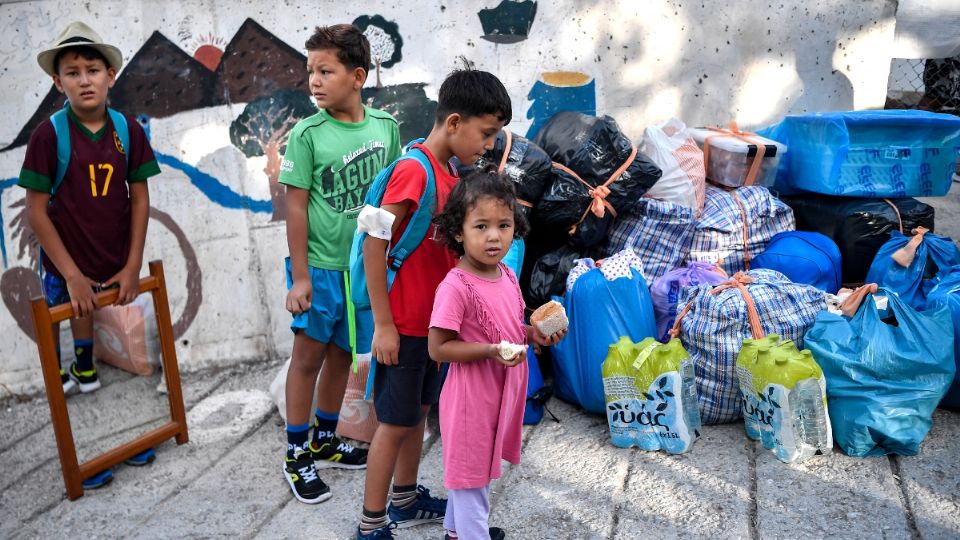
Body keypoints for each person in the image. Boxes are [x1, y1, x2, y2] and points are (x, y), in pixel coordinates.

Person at [356, 70, 512, 539]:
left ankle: (404, 498)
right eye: (485, 134)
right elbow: (373, 239)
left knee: (418, 413)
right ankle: (370, 521)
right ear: (454, 122)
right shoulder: (414, 170)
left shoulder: (449, 174)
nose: (488, 145)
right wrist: (383, 325)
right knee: (393, 424)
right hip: (402, 327)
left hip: (433, 329)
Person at [19, 21, 162, 488]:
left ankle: (134, 435)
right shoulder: (49, 135)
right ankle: (87, 455)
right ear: (57, 82)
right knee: (72, 347)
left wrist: (133, 262)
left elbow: (139, 197)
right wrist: (72, 275)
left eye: (93, 69)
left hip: (116, 259)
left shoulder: (126, 129)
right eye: (73, 72)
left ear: (111, 75)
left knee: (127, 355)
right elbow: (37, 212)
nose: (84, 79)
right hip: (67, 263)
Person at [279, 24, 401, 504]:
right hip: (319, 269)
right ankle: (295, 452)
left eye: (325, 71)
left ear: (357, 76)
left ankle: (325, 439)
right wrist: (302, 277)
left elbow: (394, 198)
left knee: (340, 358)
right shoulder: (307, 135)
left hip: (362, 270)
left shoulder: (386, 129)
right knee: (307, 357)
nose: (313, 80)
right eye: (310, 70)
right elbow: (294, 208)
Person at [428, 169, 566, 540]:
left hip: (498, 394)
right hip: (471, 398)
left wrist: (533, 334)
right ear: (458, 231)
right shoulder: (455, 286)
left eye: (504, 225)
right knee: (471, 477)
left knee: (477, 470)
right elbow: (438, 347)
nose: (494, 236)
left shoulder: (504, 274)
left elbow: (507, 329)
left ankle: (455, 532)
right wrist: (490, 351)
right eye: (481, 226)